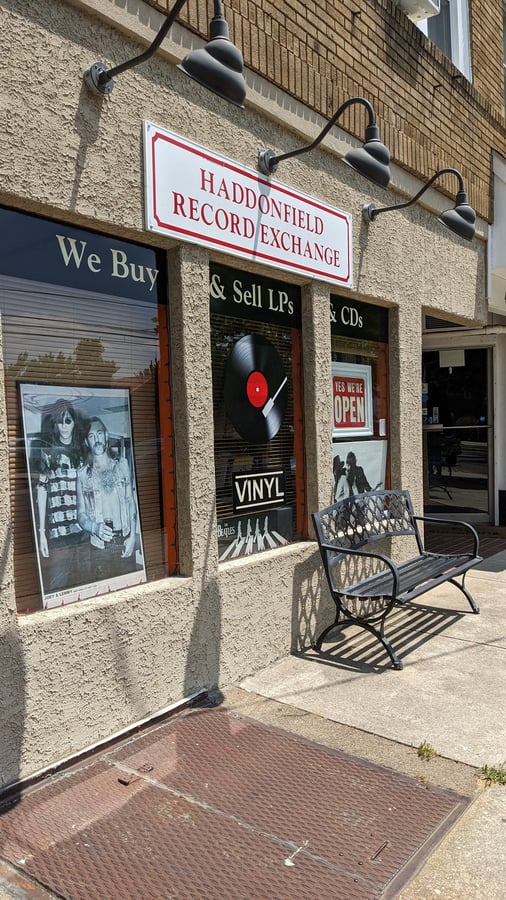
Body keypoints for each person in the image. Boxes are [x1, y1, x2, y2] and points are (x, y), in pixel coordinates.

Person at [32, 400, 88, 594]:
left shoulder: (82, 452)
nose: (64, 426)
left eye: (68, 421)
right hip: (58, 534)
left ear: (74, 423)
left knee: (84, 584)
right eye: (60, 421)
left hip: (83, 530)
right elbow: (42, 489)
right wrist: (41, 534)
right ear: (54, 423)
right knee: (58, 586)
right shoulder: (47, 451)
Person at [76, 417, 138, 583]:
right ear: (86, 442)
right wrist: (94, 527)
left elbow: (131, 502)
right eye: (91, 436)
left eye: (99, 433)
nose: (96, 440)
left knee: (129, 593)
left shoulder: (122, 465)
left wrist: (133, 537)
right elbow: (80, 515)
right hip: (99, 547)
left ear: (106, 435)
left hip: (124, 541)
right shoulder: (82, 475)